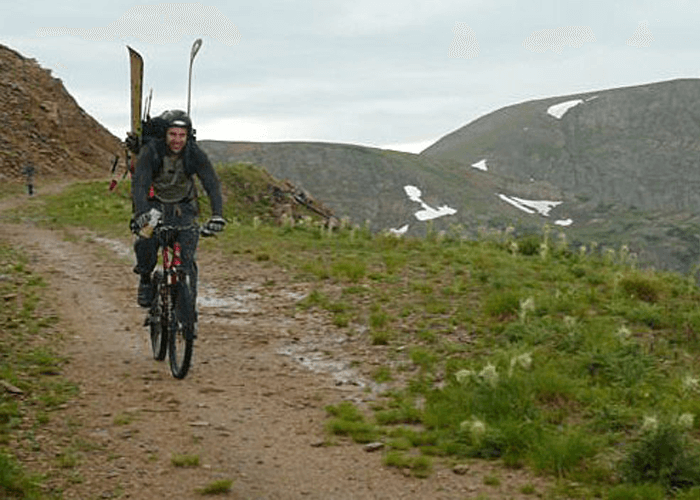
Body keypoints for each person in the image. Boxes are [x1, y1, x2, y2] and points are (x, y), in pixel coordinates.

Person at [129, 109, 226, 310]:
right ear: (165, 134)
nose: (177, 140)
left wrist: (217, 215)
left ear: (188, 136)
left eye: (182, 135)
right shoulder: (152, 151)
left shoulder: (194, 153)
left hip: (184, 206)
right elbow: (140, 184)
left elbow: (211, 183)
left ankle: (187, 312)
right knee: (146, 241)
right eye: (173, 134)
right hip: (155, 204)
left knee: (187, 258)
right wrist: (141, 214)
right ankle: (146, 278)